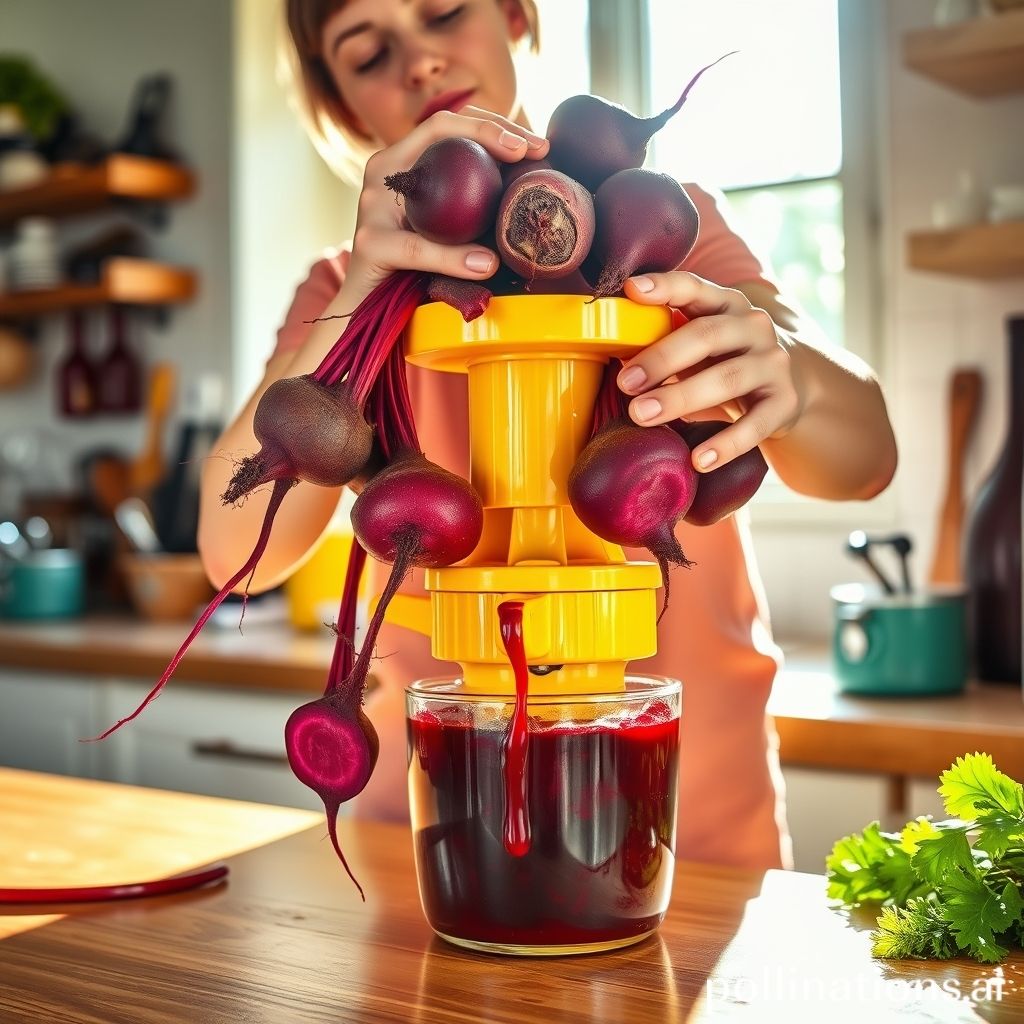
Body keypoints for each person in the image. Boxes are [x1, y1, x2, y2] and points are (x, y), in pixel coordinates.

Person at [198, 0, 897, 872]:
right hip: (431, 830)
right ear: (343, 110)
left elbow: (866, 460)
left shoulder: (672, 229)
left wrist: (784, 369)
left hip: (695, 829)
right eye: (369, 54)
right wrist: (354, 300)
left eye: (445, 12)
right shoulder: (341, 289)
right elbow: (236, 559)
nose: (419, 62)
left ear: (518, 16)